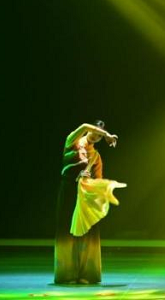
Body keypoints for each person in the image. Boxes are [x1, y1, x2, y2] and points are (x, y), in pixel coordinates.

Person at [54, 121, 124, 285]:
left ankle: (87, 274)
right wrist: (107, 135)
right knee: (67, 230)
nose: (96, 137)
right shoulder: (72, 141)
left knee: (87, 232)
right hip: (68, 191)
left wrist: (89, 179)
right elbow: (85, 125)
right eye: (96, 133)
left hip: (85, 195)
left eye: (100, 136)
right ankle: (67, 274)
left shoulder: (96, 156)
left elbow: (97, 180)